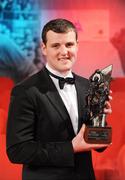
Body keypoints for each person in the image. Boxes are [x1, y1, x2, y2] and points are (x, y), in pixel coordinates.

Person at [6, 18, 112, 180]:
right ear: (44, 48)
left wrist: (100, 120)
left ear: (77, 46)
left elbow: (95, 144)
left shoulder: (88, 86)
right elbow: (18, 150)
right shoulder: (25, 91)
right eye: (56, 45)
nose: (64, 52)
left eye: (69, 45)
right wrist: (70, 148)